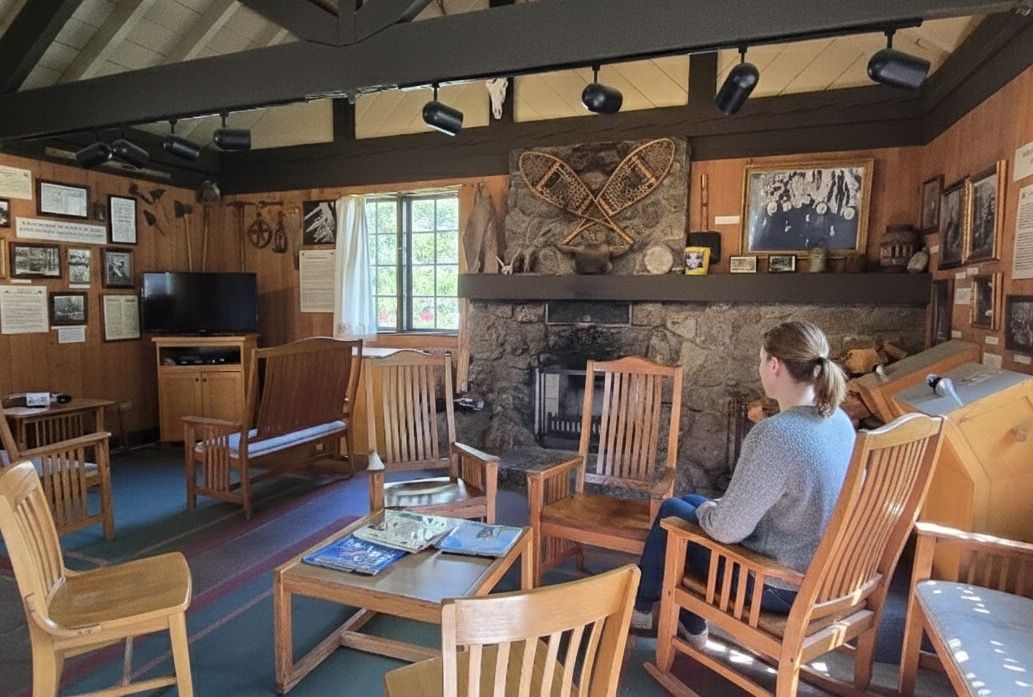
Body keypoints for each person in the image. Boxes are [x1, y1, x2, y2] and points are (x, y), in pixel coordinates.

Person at [631, 320, 855, 647]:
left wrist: (711, 509)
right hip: (828, 576)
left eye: (761, 360)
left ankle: (641, 607)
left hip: (778, 583)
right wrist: (710, 507)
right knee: (688, 503)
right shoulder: (839, 422)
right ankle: (686, 625)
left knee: (673, 514)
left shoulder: (776, 434)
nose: (760, 368)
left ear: (775, 365)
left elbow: (726, 531)